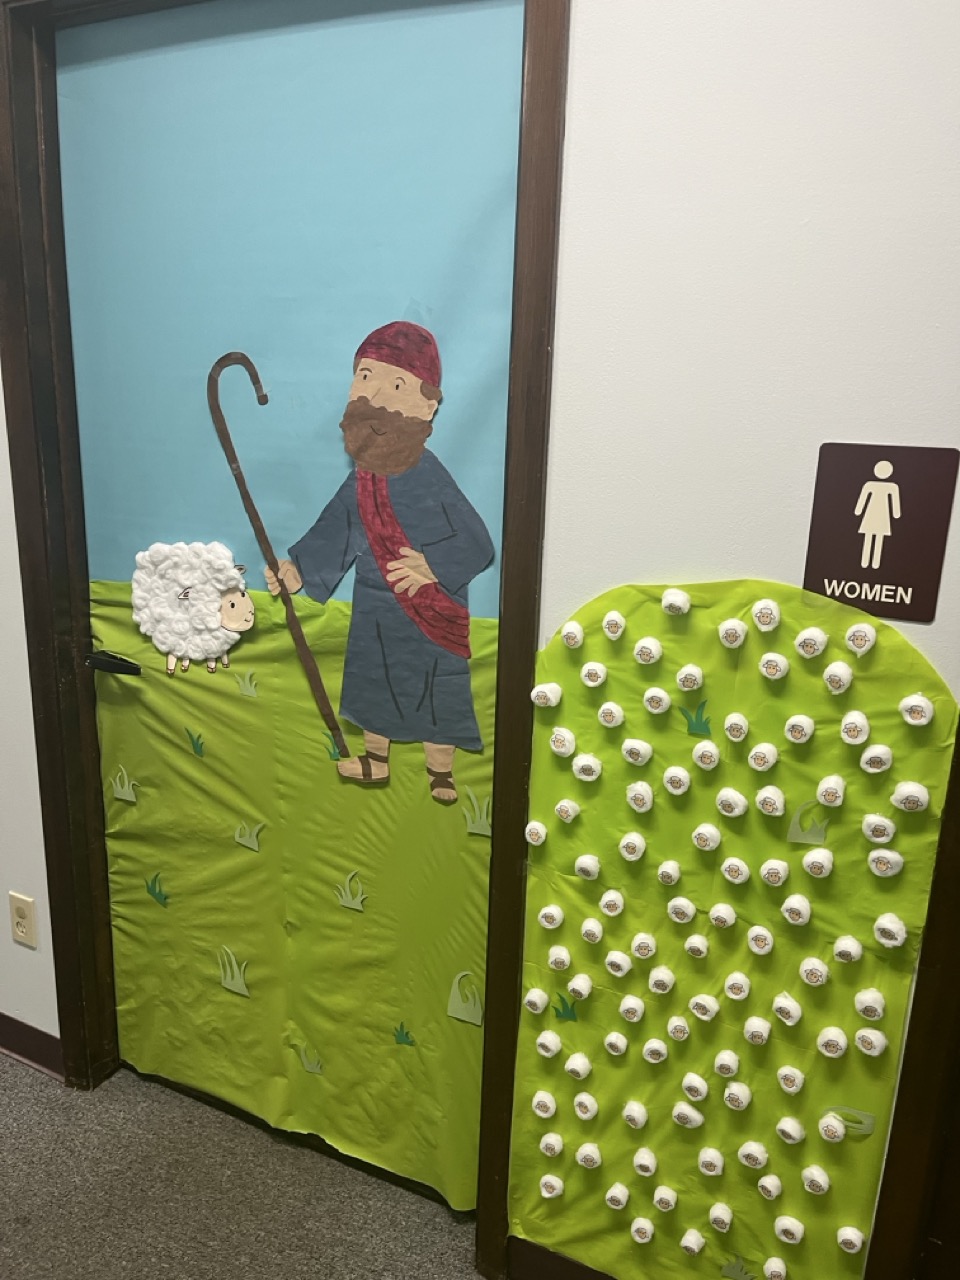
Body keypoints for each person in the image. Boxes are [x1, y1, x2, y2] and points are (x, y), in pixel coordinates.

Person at [265, 321, 493, 803]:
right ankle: (375, 759)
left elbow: (477, 541)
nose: (374, 396)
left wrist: (432, 565)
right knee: (373, 681)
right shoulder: (361, 479)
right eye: (365, 377)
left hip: (430, 608)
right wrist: (297, 570)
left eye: (396, 385)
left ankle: (440, 772)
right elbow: (336, 528)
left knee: (436, 688)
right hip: (375, 609)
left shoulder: (431, 475)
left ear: (426, 406)